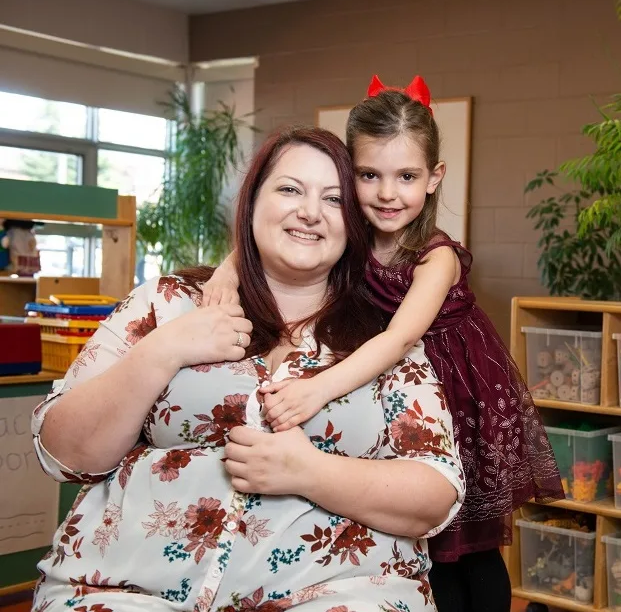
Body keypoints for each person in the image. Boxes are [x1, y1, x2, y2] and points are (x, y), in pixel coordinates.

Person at [30, 126, 465, 612]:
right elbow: (62, 453)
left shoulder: (384, 339)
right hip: (124, 589)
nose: (309, 211)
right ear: (252, 200)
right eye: (289, 189)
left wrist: (312, 473)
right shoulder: (166, 303)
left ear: (357, 222)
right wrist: (163, 350)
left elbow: (436, 495)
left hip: (340, 593)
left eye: (335, 199)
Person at [204, 77, 565, 612]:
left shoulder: (434, 255)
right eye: (370, 175)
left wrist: (316, 390)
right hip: (389, 378)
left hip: (456, 386)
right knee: (420, 544)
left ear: (434, 178)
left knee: (467, 543)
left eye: (407, 176)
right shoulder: (347, 232)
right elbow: (268, 238)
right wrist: (226, 270)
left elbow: (400, 337)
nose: (388, 194)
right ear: (349, 176)